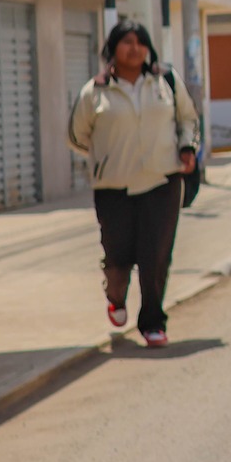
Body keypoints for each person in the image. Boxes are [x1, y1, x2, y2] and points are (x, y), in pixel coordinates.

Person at [68, 20, 199, 348]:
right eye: (127, 42)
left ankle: (153, 322)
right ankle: (116, 296)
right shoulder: (95, 91)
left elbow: (187, 118)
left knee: (156, 255)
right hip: (114, 188)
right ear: (112, 49)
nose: (135, 48)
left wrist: (186, 147)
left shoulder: (165, 81)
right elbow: (77, 135)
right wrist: (106, 156)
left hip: (162, 181)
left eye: (140, 42)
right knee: (117, 255)